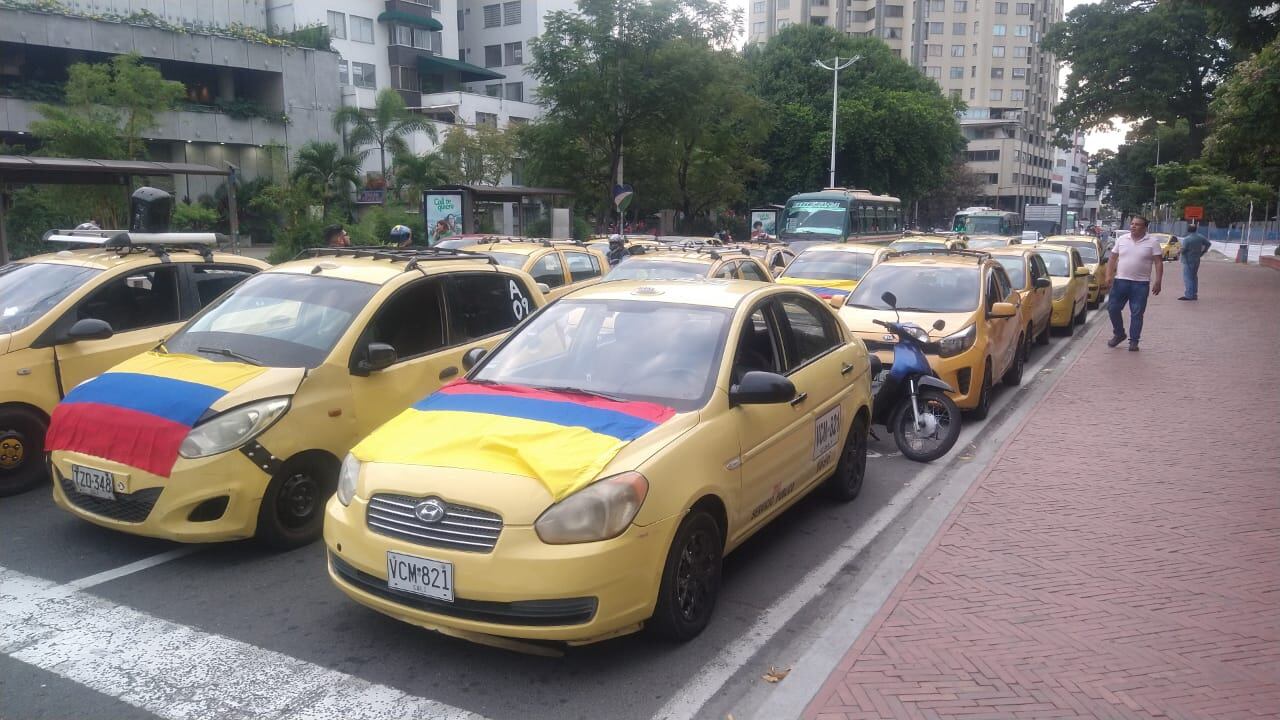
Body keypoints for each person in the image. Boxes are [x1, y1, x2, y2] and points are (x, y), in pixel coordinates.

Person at [1104, 216, 1163, 351]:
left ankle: (1134, 341)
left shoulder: (1152, 242)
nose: (1133, 226)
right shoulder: (1122, 239)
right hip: (1121, 282)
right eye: (1132, 224)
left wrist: (1158, 281)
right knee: (1112, 308)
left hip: (1140, 284)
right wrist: (1108, 275)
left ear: (1144, 227)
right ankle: (1119, 334)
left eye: (1137, 224)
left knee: (1137, 313)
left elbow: (1158, 262)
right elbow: (1113, 258)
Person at [1178, 223, 1211, 301]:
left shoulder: (1187, 239)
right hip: (1197, 259)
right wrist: (1203, 252)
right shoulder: (1200, 237)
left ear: (1188, 229)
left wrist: (1179, 251)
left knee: (1188, 278)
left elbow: (1183, 250)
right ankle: (1194, 294)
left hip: (1188, 260)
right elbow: (1208, 244)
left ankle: (1189, 295)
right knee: (1194, 277)